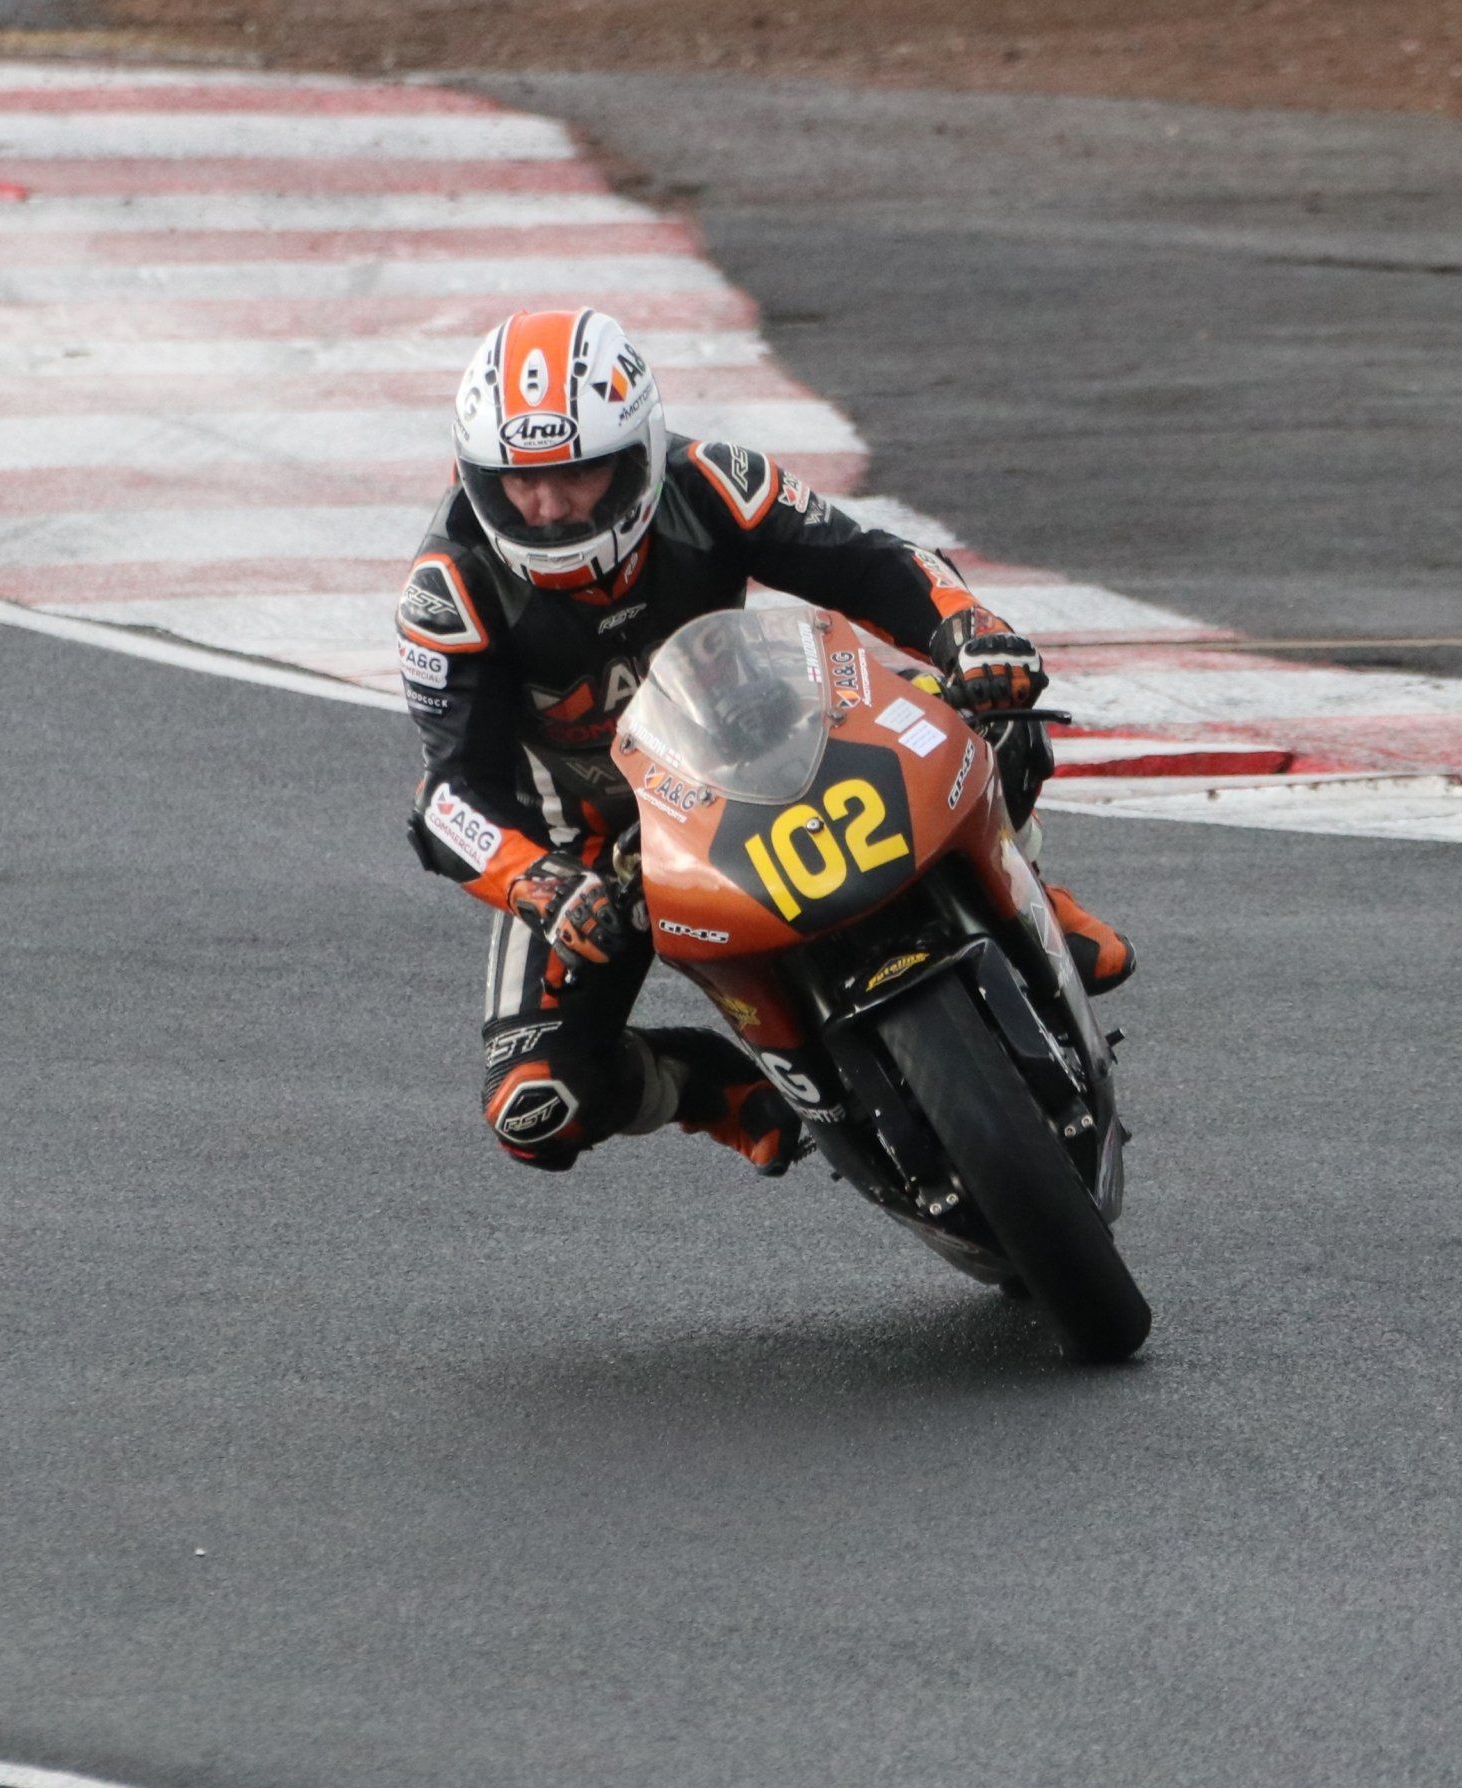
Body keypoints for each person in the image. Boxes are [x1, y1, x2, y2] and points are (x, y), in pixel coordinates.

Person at [399, 307, 1134, 1176]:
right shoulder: (448, 594)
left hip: (765, 740)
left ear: (636, 455)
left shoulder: (717, 482)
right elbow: (449, 797)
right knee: (535, 1106)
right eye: (520, 483)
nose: (550, 508)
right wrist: (538, 881)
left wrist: (971, 631)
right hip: (599, 844)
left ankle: (1024, 890)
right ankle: (713, 1090)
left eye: (580, 474)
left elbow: (873, 564)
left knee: (987, 704)